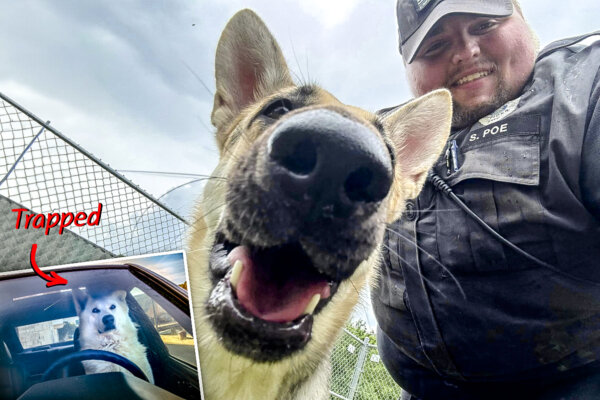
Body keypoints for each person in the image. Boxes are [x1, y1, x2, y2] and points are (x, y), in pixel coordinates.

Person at [372, 0, 600, 399]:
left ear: (521, 19)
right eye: (434, 46)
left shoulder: (583, 92)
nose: (465, 51)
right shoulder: (385, 135)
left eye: (483, 24)